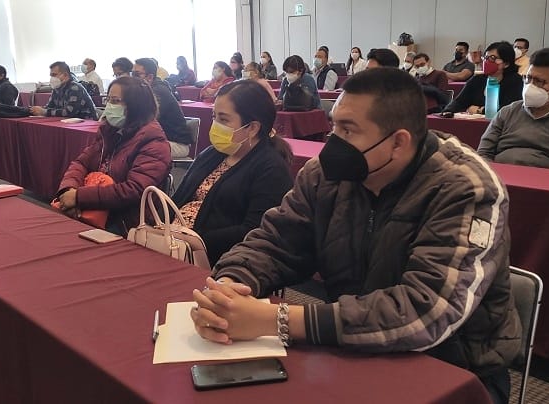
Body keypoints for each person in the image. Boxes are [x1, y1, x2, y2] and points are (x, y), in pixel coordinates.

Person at [189, 67, 519, 404]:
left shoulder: (465, 187)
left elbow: (427, 312)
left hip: (453, 370)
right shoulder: (325, 175)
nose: (333, 143)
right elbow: (276, 241)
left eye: (348, 130)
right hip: (352, 348)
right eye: (333, 126)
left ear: (398, 142)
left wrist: (279, 320)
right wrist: (229, 287)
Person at [172, 80, 292, 264]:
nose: (215, 125)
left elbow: (254, 230)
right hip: (173, 244)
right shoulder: (212, 154)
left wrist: (196, 239)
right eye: (214, 116)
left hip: (218, 259)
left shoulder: (271, 168)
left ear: (252, 128)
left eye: (224, 119)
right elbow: (179, 197)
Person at [54, 76, 170, 235]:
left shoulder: (153, 142)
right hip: (95, 208)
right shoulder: (109, 132)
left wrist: (79, 197)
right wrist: (69, 190)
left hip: (126, 221)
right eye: (108, 100)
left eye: (115, 101)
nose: (109, 106)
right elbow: (81, 163)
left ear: (136, 106)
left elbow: (134, 190)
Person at [133, 58, 194, 158]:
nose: (132, 78)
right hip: (162, 140)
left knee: (136, 147)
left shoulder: (158, 92)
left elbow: (145, 121)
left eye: (137, 74)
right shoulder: (147, 90)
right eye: (132, 74)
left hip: (177, 144)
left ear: (150, 77)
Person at [443, 41, 522, 115]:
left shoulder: (515, 81)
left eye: (492, 58)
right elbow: (459, 101)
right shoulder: (477, 80)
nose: (487, 61)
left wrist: (481, 110)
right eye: (486, 58)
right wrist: (447, 112)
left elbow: (510, 109)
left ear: (506, 63)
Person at [30, 61, 96, 119]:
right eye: (51, 75)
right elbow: (49, 107)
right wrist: (36, 110)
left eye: (54, 75)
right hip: (69, 123)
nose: (52, 78)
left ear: (65, 75)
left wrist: (44, 112)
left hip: (87, 123)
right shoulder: (56, 88)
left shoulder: (75, 88)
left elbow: (69, 112)